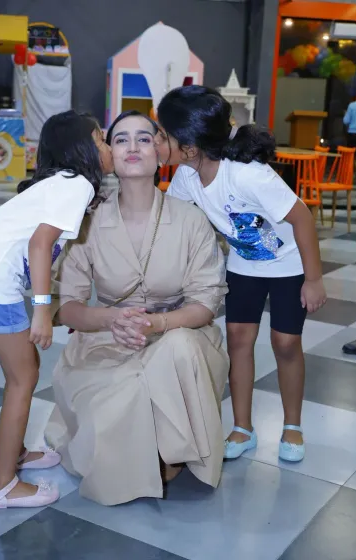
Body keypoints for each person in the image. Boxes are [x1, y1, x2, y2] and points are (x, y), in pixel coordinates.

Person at [44, 110, 229, 506]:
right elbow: (67, 306)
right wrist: (112, 319)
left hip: (181, 333)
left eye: (144, 138)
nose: (132, 146)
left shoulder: (191, 220)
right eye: (120, 139)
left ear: (160, 152)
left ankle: (171, 450)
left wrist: (156, 323)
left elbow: (205, 303)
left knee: (179, 346)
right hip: (107, 340)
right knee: (115, 402)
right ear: (108, 154)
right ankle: (148, 452)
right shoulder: (87, 222)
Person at [156, 85, 327, 463]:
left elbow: (302, 218)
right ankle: (243, 427)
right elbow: (172, 224)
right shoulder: (186, 177)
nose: (156, 142)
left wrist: (313, 278)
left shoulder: (249, 176)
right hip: (244, 265)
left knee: (286, 343)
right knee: (237, 339)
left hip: (289, 266)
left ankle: (292, 426)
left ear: (190, 147)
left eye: (162, 135)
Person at [0, 110, 113, 509]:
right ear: (81, 150)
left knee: (25, 371)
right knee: (22, 379)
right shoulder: (77, 184)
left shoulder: (63, 182)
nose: (108, 147)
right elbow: (40, 245)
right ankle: (2, 485)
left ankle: (17, 454)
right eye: (101, 140)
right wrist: (42, 311)